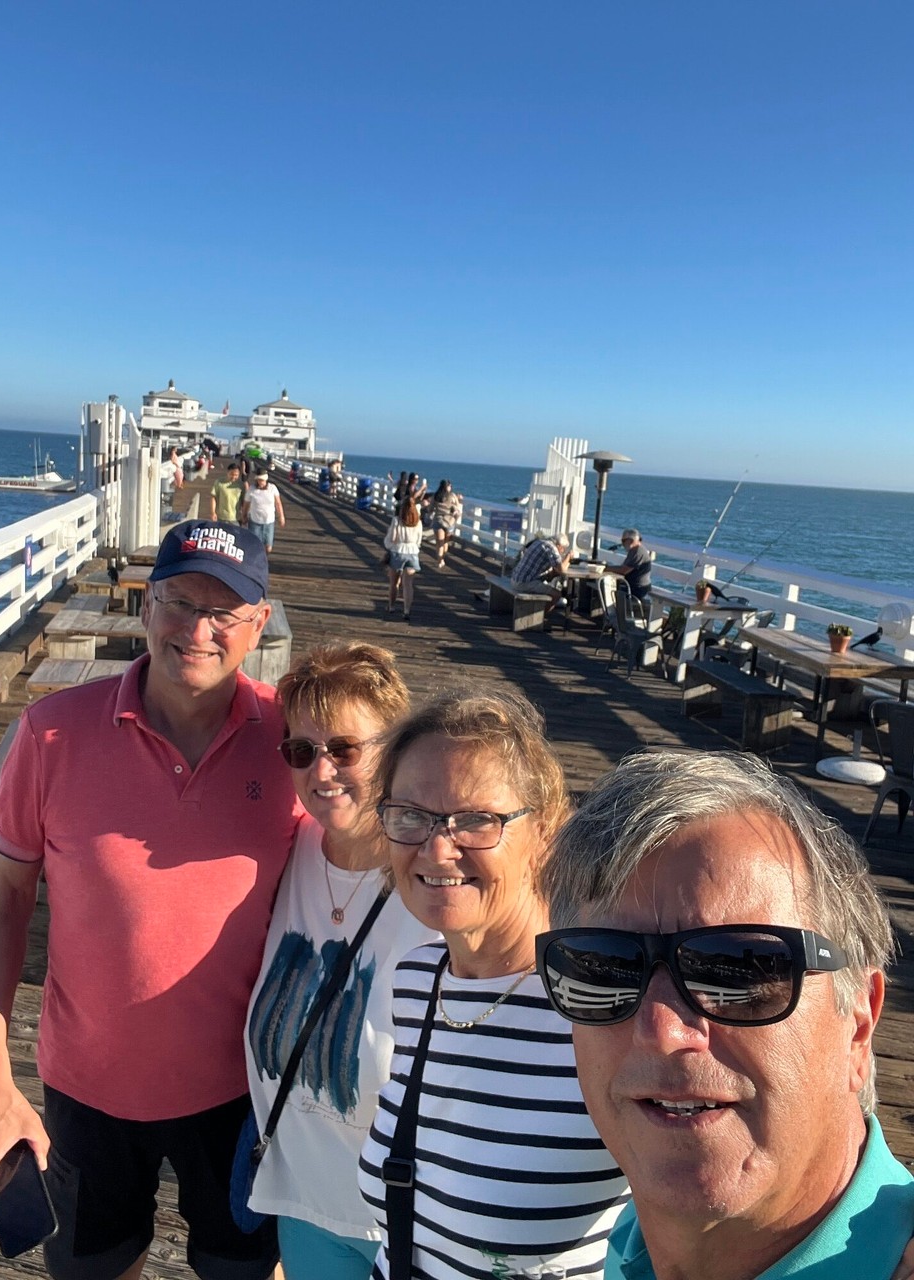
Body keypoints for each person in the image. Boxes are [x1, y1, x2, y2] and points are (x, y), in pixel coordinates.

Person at [0, 519, 299, 1280]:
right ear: (148, 605)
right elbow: (1, 901)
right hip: (88, 1091)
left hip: (243, 1092)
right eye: (180, 602)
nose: (198, 631)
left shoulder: (295, 744)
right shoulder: (49, 735)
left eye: (225, 614)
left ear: (257, 625)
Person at [538, 749, 914, 1280]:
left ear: (858, 1023)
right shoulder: (631, 1242)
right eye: (605, 968)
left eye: (736, 970)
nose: (662, 1031)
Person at [359, 690, 630, 1279]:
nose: (437, 847)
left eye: (476, 820)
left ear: (548, 831)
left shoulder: (601, 1008)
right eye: (411, 815)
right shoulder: (417, 977)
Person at [244, 642, 439, 1280]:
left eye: (345, 749)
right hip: (306, 1207)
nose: (321, 771)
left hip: (414, 1220)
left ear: (394, 747)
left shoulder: (438, 872)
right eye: (301, 751)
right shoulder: (288, 849)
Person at [510, 532, 572, 617]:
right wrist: (569, 556)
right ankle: (539, 617)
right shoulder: (551, 547)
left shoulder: (540, 542)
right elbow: (562, 570)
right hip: (524, 583)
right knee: (556, 594)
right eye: (563, 549)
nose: (563, 551)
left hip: (516, 579)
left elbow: (551, 574)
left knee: (546, 587)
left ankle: (537, 613)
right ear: (559, 545)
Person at [383, 496, 423, 622]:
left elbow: (393, 538)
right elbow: (418, 541)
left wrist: (388, 545)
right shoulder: (418, 522)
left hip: (398, 552)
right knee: (408, 584)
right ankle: (406, 610)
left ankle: (391, 606)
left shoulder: (396, 520)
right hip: (412, 553)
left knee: (394, 583)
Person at [243, 469, 286, 553]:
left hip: (269, 521)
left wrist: (281, 516)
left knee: (268, 547)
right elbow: (246, 504)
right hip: (255, 521)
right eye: (259, 480)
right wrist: (244, 515)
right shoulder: (252, 489)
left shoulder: (272, 488)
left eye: (262, 480)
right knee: (255, 545)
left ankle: (264, 558)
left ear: (266, 480)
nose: (260, 482)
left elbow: (278, 503)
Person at [605, 527, 651, 601]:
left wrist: (606, 568)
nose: (622, 543)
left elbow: (624, 570)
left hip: (637, 589)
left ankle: (612, 610)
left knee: (606, 589)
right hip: (634, 586)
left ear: (630, 541)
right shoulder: (634, 550)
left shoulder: (638, 552)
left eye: (623, 541)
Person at [427, 479, 462, 569]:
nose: (451, 487)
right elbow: (458, 508)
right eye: (450, 486)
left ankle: (440, 561)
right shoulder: (452, 496)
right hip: (449, 522)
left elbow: (430, 509)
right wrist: (458, 500)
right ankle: (442, 558)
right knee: (445, 542)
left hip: (438, 521)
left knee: (439, 543)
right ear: (448, 487)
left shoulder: (436, 496)